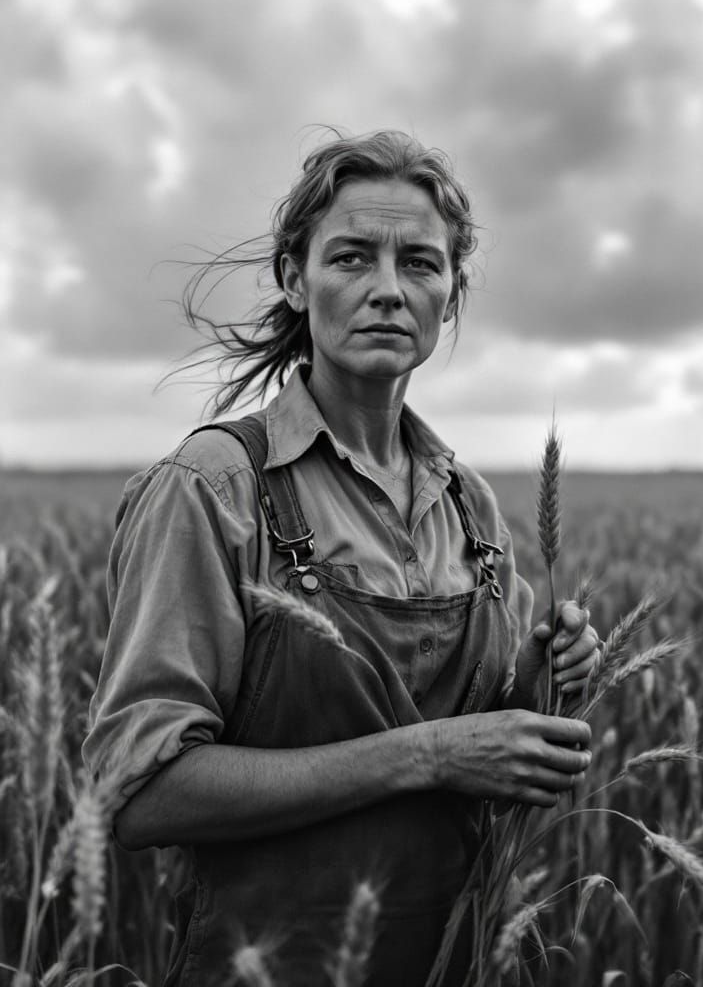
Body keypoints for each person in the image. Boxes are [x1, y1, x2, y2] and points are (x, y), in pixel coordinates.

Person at [84, 130, 599, 987]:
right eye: (353, 257)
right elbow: (140, 793)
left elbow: (483, 760)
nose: (389, 291)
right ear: (296, 278)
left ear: (452, 292)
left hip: (448, 963)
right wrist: (429, 752)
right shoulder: (214, 486)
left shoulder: (468, 506)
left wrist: (536, 689)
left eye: (422, 265)